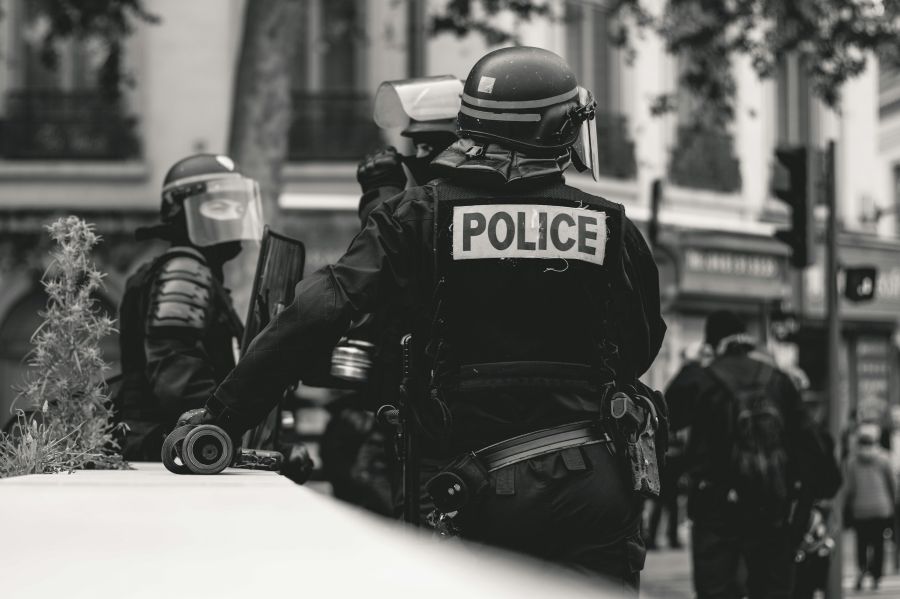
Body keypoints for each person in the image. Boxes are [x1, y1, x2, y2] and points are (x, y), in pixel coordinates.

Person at [177, 47, 666, 591]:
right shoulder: (611, 227)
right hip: (591, 486)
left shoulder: (417, 216)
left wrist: (224, 413)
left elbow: (318, 310)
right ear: (556, 129)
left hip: (469, 487)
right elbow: (641, 345)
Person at [319, 75, 461, 517]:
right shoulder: (421, 209)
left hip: (444, 428)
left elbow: (402, 275)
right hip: (402, 418)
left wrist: (383, 200)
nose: (414, 159)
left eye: (426, 148)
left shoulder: (451, 214)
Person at [666, 310, 840, 599]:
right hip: (771, 506)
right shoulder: (778, 380)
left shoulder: (702, 378)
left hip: (716, 507)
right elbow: (811, 445)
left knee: (717, 589)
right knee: (772, 588)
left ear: (711, 342)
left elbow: (668, 415)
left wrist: (692, 362)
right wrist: (812, 499)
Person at [114, 154, 262, 461]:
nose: (234, 215)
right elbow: (178, 378)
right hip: (168, 450)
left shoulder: (201, 274)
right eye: (219, 206)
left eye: (238, 206)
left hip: (184, 447)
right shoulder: (184, 271)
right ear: (181, 212)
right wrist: (220, 428)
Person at [845, 423, 896, 591]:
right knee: (878, 543)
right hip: (881, 508)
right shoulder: (884, 458)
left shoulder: (852, 462)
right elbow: (892, 483)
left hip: (860, 510)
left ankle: (861, 569)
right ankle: (876, 575)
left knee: (862, 543)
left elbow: (849, 488)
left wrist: (849, 505)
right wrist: (893, 502)